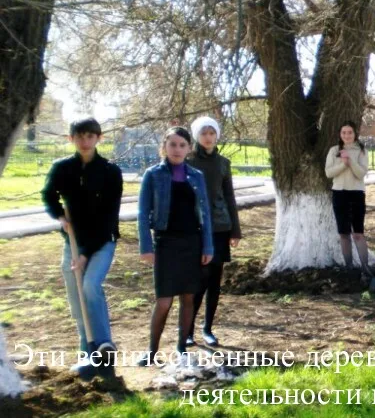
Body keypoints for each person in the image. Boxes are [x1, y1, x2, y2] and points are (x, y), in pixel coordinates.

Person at [41, 118, 123, 376]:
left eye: (90, 136)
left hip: (102, 242)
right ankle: (88, 352)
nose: (85, 141)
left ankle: (103, 346)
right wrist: (60, 216)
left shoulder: (110, 171)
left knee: (89, 285)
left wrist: (86, 254)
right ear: (71, 139)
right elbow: (48, 194)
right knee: (77, 297)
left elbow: (109, 217)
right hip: (72, 242)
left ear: (99, 138)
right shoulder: (62, 168)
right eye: (80, 136)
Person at [137, 126, 213, 367]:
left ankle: (181, 348)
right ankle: (152, 351)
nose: (177, 149)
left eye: (182, 145)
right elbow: (142, 213)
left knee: (188, 298)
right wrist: (146, 247)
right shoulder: (153, 174)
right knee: (164, 300)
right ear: (164, 147)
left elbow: (206, 215)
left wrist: (208, 247)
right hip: (165, 244)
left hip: (192, 243)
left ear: (189, 148)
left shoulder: (196, 176)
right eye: (172, 145)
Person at [185, 117, 242, 347]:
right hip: (196, 227)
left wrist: (235, 230)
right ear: (197, 136)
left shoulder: (223, 163)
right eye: (203, 133)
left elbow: (229, 196)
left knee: (215, 280)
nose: (208, 137)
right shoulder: (187, 160)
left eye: (212, 133)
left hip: (220, 226)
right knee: (198, 279)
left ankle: (207, 328)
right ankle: (187, 330)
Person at [325, 120, 370, 278]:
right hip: (339, 193)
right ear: (340, 134)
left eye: (349, 132)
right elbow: (329, 173)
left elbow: (361, 173)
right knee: (344, 233)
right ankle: (349, 267)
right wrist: (343, 165)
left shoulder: (361, 151)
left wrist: (350, 162)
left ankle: (366, 268)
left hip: (356, 193)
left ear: (355, 134)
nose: (347, 135)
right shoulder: (334, 150)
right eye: (343, 132)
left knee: (358, 233)